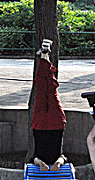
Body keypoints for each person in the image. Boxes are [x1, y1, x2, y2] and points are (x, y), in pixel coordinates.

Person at [29, 39, 67, 171]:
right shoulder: (39, 157)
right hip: (40, 126)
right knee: (41, 89)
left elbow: (63, 157)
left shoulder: (56, 157)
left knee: (51, 89)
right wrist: (41, 163)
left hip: (55, 125)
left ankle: (45, 56)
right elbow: (34, 158)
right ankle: (44, 56)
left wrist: (57, 163)